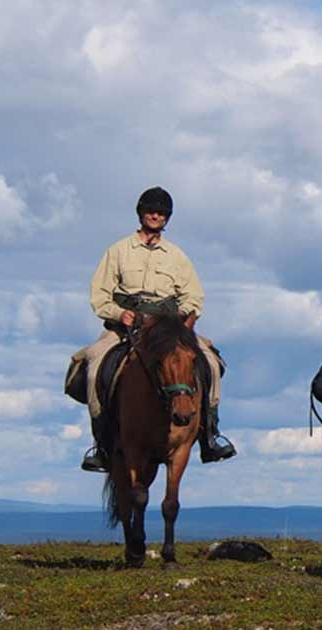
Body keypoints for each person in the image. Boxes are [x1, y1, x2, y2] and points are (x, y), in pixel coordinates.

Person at [73, 186, 235, 472]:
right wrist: (118, 313)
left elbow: (193, 295)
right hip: (127, 325)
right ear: (141, 213)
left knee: (210, 360)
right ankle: (101, 444)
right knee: (95, 361)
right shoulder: (119, 251)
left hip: (169, 328)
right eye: (151, 210)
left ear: (167, 218)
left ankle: (210, 435)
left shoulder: (176, 256)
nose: (155, 215)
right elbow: (99, 293)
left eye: (161, 212)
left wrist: (186, 319)